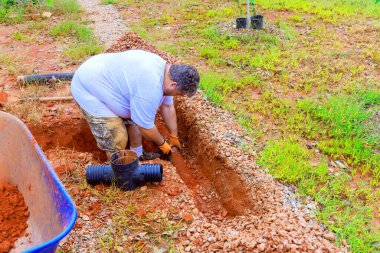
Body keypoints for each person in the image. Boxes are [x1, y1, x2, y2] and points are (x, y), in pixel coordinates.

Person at [71, 49, 200, 161]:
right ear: (173, 85)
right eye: (179, 94)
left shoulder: (167, 73)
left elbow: (167, 107)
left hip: (107, 79)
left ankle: (137, 156)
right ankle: (117, 175)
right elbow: (145, 127)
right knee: (117, 138)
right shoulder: (150, 88)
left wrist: (173, 135)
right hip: (89, 89)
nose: (176, 96)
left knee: (136, 119)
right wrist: (163, 144)